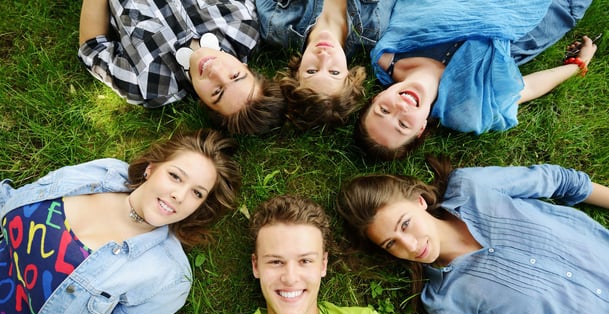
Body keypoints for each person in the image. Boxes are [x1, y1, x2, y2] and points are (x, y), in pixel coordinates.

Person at [0, 129, 241, 314]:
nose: (179, 195)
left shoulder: (167, 278)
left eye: (197, 193)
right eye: (175, 176)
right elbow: (17, 199)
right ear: (151, 168)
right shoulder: (105, 171)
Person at [337, 156, 609, 314]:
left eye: (405, 224)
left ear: (419, 201)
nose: (409, 245)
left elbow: (559, 180)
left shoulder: (473, 187)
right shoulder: (445, 302)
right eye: (391, 243)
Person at [356, 0, 597, 160]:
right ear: (420, 129)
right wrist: (578, 65)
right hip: (549, 11)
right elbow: (528, 88)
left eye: (383, 110)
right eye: (403, 125)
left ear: (377, 96)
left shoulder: (387, 52)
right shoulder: (466, 109)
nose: (399, 108)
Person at [207, 194, 441, 314]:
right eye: (275, 261)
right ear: (256, 266)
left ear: (323, 265)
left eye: (305, 261)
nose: (290, 278)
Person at [78, 0, 285, 135]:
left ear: (204, 105)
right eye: (235, 75)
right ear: (245, 66)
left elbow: (93, 49)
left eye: (217, 92)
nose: (216, 72)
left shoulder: (146, 84)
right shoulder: (244, 25)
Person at [255, 0, 395, 129]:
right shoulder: (372, 28)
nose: (324, 56)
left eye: (311, 71)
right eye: (334, 72)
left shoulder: (277, 27)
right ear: (349, 76)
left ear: (297, 72)